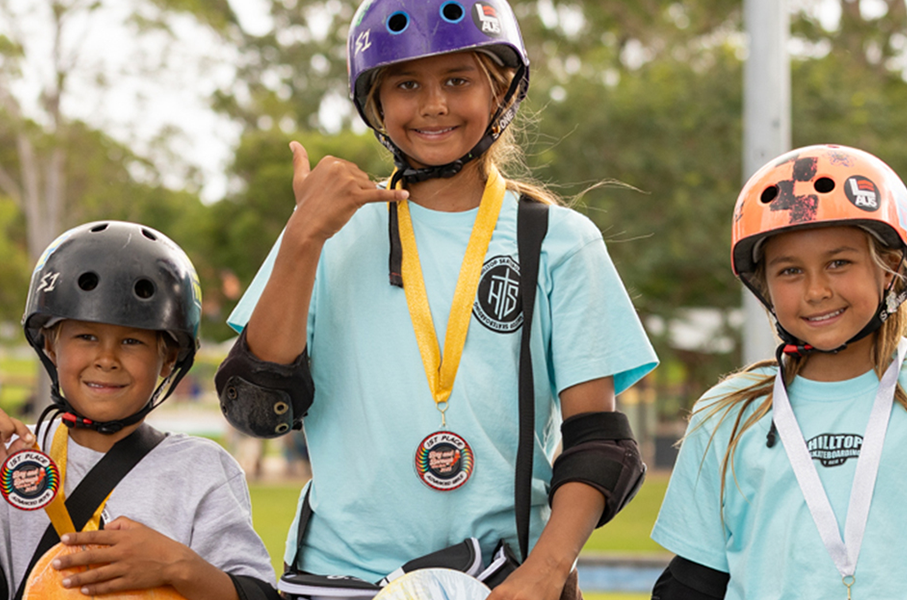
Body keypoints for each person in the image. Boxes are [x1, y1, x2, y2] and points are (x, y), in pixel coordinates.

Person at [215, 0, 655, 598]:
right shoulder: (326, 231)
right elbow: (257, 406)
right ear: (376, 105)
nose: (433, 104)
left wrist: (545, 573)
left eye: (457, 80)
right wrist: (303, 235)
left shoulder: (559, 241)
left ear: (500, 92)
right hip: (339, 581)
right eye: (405, 84)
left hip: (504, 581)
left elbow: (599, 443)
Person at [648, 145, 907, 599]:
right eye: (790, 271)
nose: (816, 290)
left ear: (889, 268)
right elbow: (693, 582)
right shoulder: (726, 412)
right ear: (763, 284)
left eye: (838, 263)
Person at [0, 221, 280, 600]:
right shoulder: (14, 457)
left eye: (132, 341)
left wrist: (176, 565)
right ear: (51, 347)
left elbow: (257, 594)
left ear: (168, 359)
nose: (107, 358)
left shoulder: (202, 470)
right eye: (86, 336)